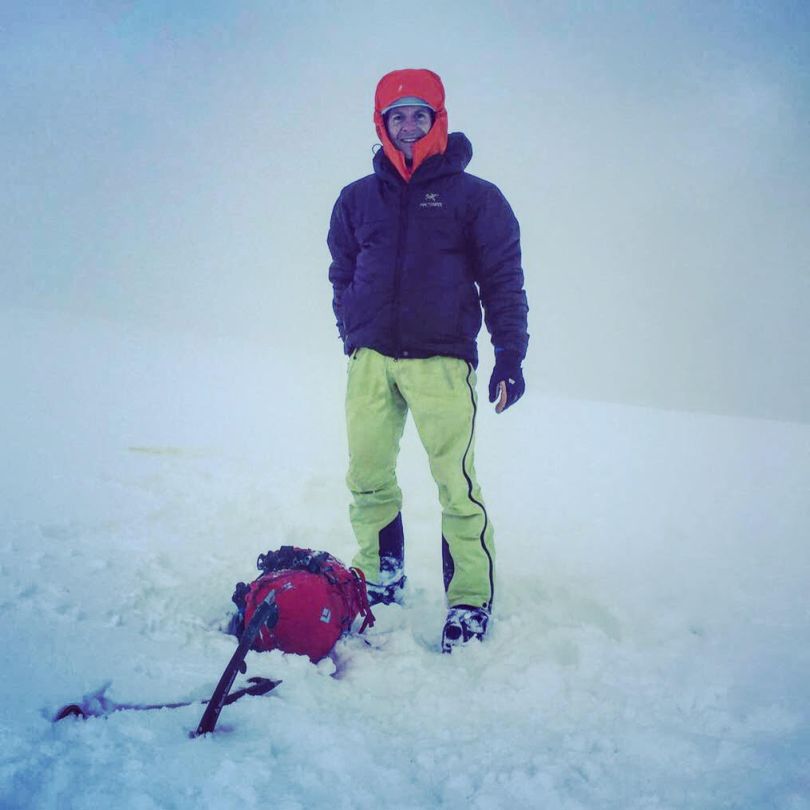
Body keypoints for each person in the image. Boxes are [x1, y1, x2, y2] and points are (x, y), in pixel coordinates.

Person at [327, 68, 529, 652]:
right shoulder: (357, 199)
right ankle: (379, 579)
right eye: (397, 116)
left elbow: (503, 279)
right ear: (381, 124)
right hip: (371, 360)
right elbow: (342, 270)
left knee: (454, 484)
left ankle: (468, 598)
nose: (408, 124)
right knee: (367, 478)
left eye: (420, 113)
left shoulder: (476, 198)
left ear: (438, 118)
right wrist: (352, 330)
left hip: (441, 361)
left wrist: (508, 354)